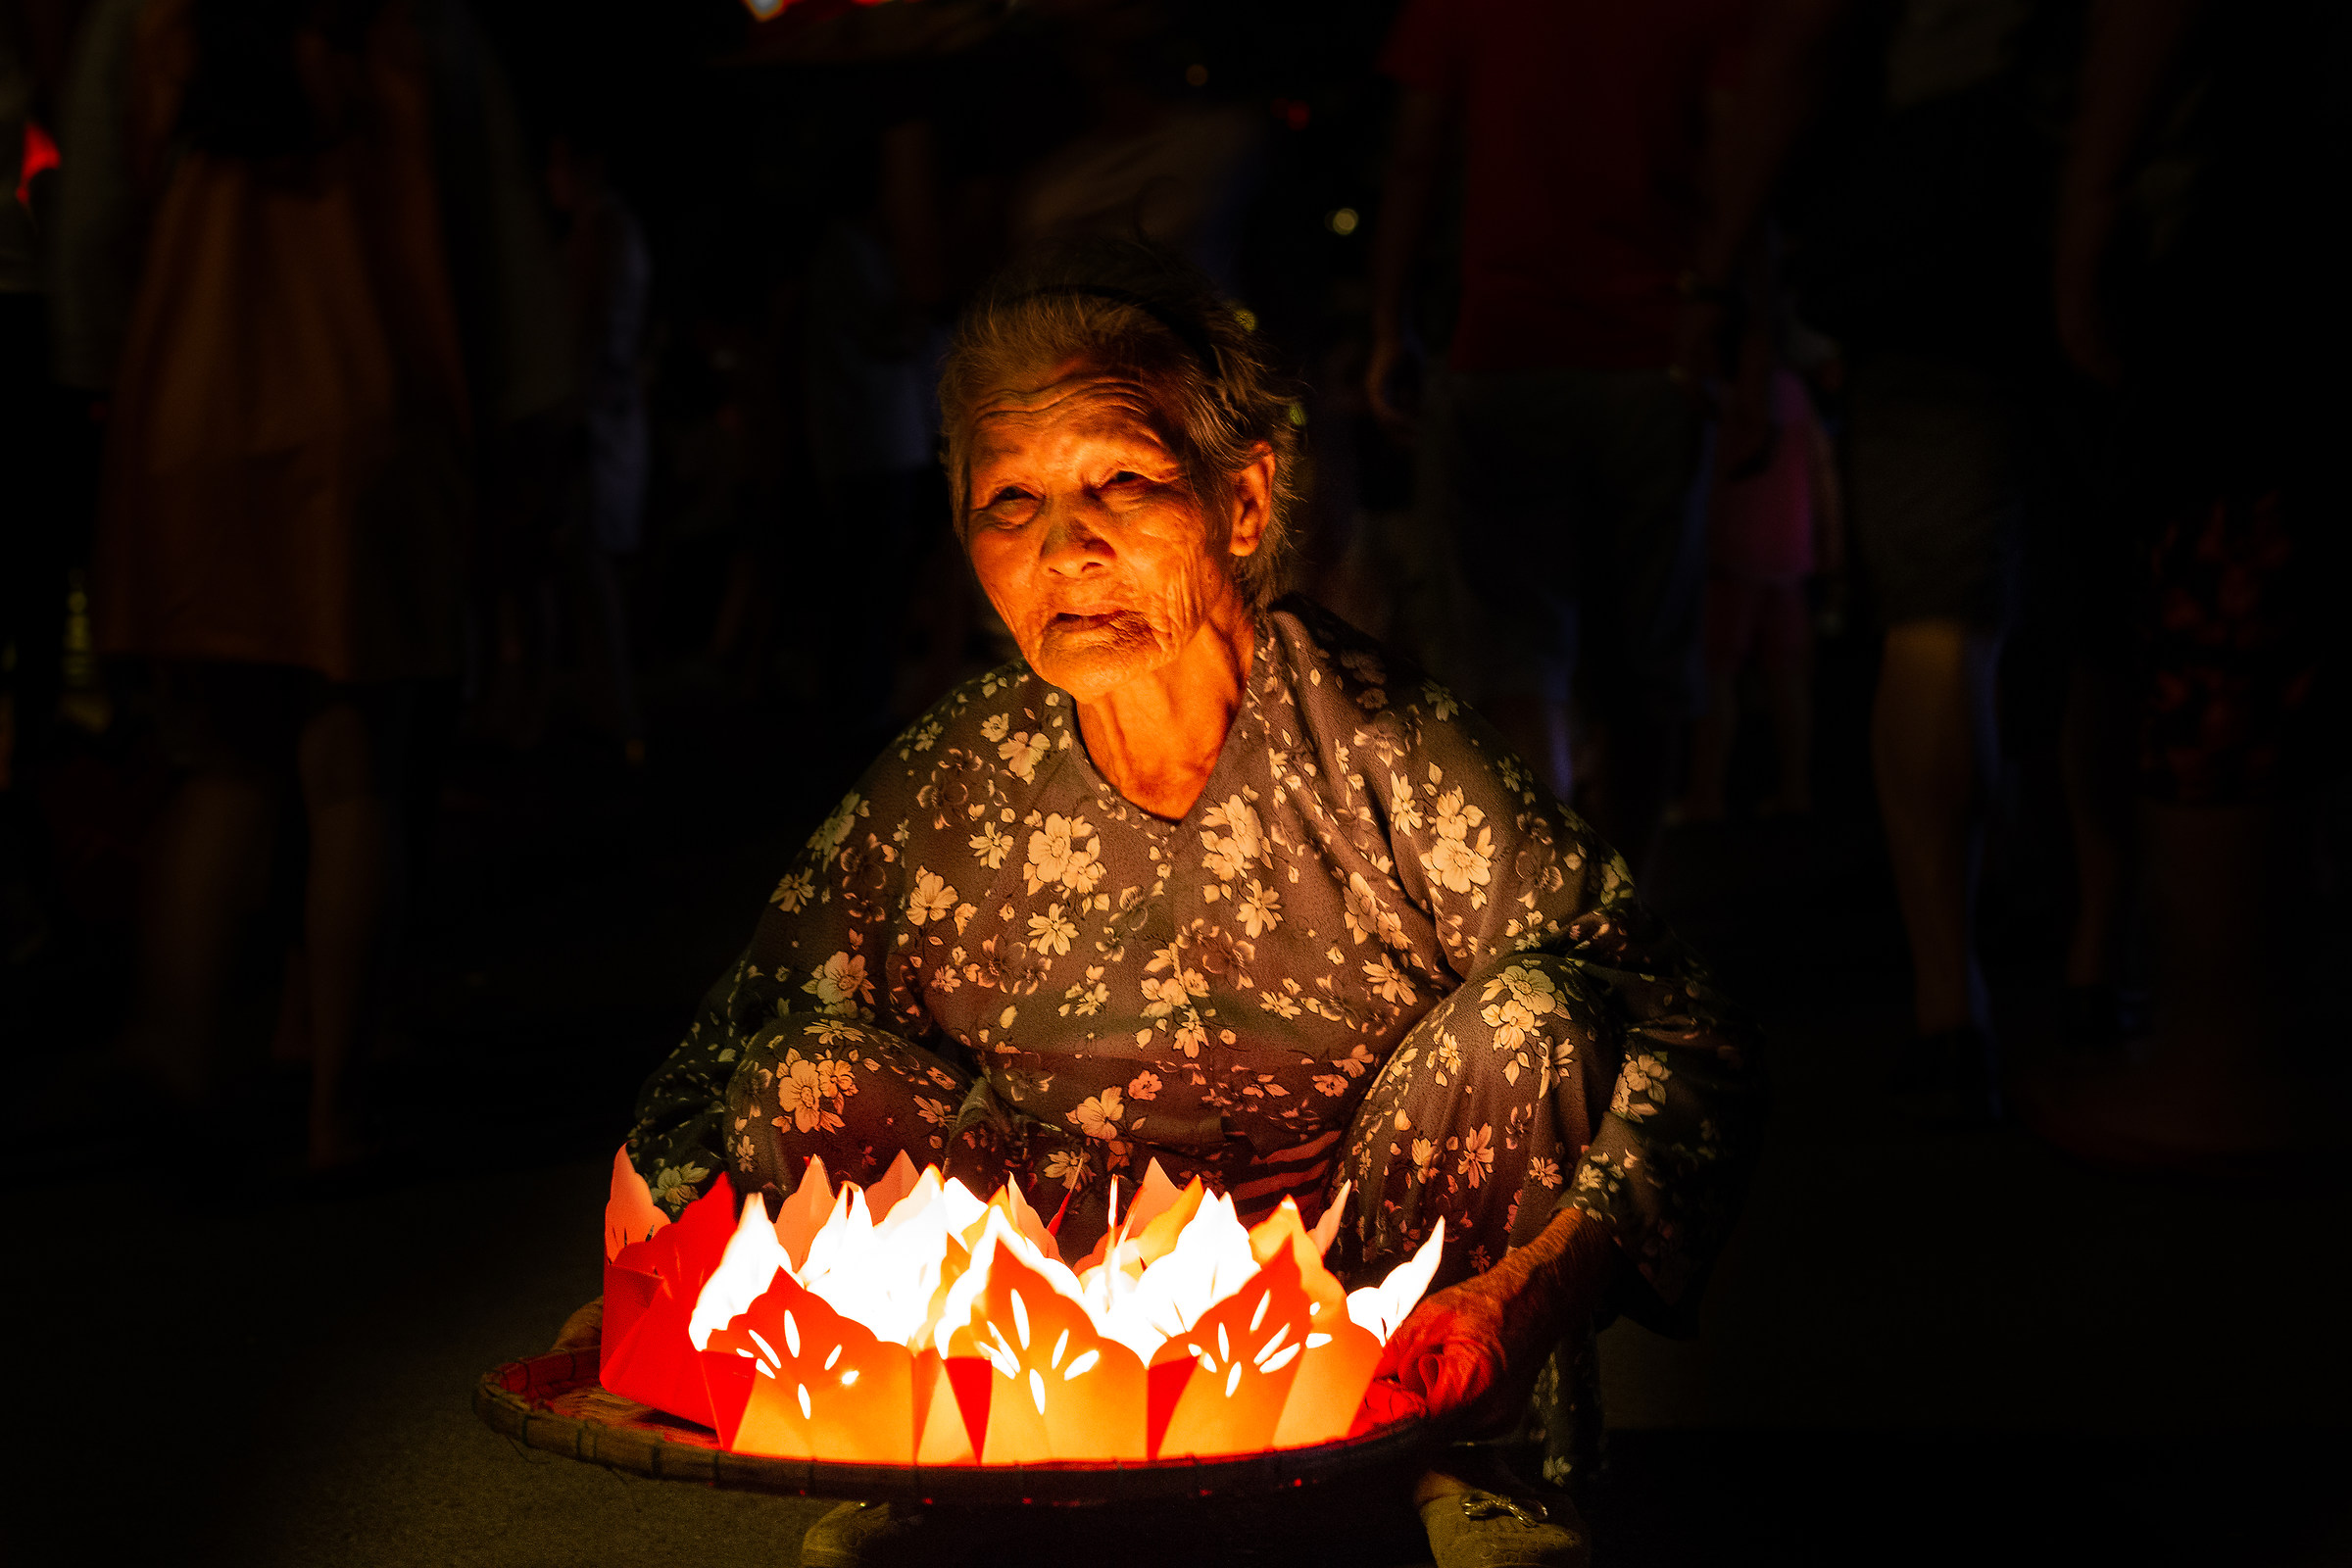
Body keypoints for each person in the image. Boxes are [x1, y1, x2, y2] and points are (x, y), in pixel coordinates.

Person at [610, 244, 1763, 1568]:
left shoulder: (1380, 749)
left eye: (1125, 484)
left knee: (1535, 1024)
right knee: (797, 1074)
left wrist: (1536, 1286)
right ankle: (926, 1455)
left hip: (1365, 1311)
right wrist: (640, 1295)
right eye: (1010, 504)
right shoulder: (948, 777)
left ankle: (1463, 1466)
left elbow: (1691, 1031)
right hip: (1049, 1321)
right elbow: (717, 1067)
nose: (1065, 550)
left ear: (1247, 501)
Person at [57, 0, 565, 1168]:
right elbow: (496, 244)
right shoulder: (414, 29)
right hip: (371, 426)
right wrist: (529, 420)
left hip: (189, 422)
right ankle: (337, 1107)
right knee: (355, 783)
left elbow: (92, 236)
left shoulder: (143, 26)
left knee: (220, 768)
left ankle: (189, 1067)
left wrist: (93, 380)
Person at [1365, 0, 1753, 871]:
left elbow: (1415, 156)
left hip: (1505, 351)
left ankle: (1548, 897)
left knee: (1514, 650)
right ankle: (1634, 894)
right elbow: (1738, 156)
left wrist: (1392, 319)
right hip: (1655, 359)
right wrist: (1733, 327)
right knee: (1643, 659)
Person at [1677, 359, 1841, 821]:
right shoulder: (1792, 388)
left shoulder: (1713, 388)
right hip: (1789, 551)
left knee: (1717, 676)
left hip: (1729, 552)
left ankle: (1705, 795)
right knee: (1787, 676)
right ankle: (1796, 790)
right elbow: (1820, 464)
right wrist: (1830, 540)